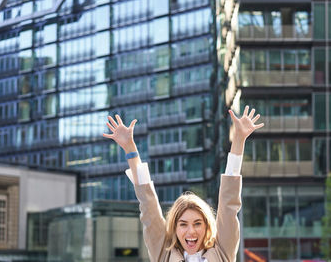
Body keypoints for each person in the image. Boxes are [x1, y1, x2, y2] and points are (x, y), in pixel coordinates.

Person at [102, 106, 264, 262]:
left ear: (207, 227)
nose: (191, 231)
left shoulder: (222, 252)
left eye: (197, 223)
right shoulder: (164, 254)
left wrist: (239, 139)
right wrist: (130, 148)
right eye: (183, 224)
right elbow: (148, 206)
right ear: (174, 228)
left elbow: (229, 205)